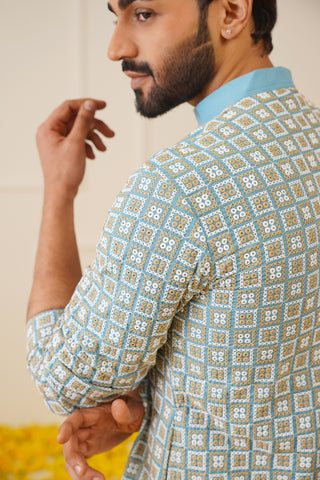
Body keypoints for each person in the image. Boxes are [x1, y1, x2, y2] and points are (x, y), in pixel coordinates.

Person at [26, 0, 320, 479]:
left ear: (230, 13)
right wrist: (152, 397)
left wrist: (58, 191)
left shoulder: (178, 189)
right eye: (115, 15)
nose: (116, 46)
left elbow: (65, 379)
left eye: (144, 13)